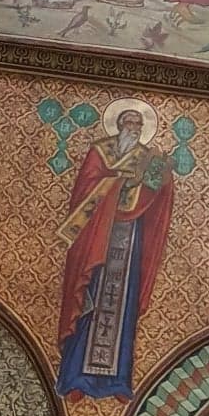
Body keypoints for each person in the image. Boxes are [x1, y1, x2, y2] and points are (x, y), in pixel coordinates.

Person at [57, 103, 174, 397]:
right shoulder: (100, 151)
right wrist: (121, 182)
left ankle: (117, 381)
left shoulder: (148, 157)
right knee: (89, 301)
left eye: (138, 123)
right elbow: (85, 189)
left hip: (129, 242)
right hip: (96, 241)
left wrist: (161, 177)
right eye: (128, 122)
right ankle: (75, 379)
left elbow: (157, 195)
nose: (133, 127)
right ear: (120, 125)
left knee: (121, 309)